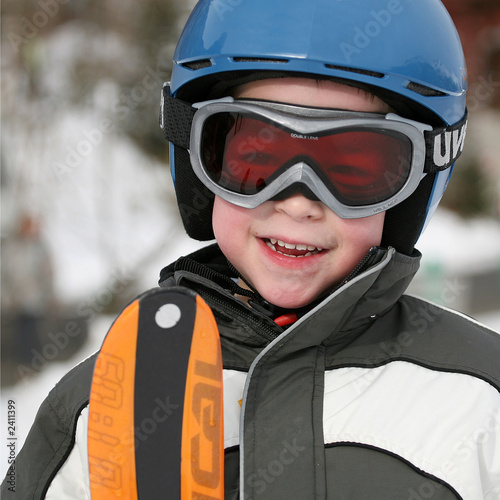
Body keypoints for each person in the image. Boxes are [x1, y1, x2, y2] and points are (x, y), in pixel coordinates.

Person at [3, 0, 500, 499]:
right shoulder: (111, 404)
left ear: (414, 185)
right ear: (197, 156)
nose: (298, 201)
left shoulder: (480, 402)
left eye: (352, 167)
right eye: (257, 158)